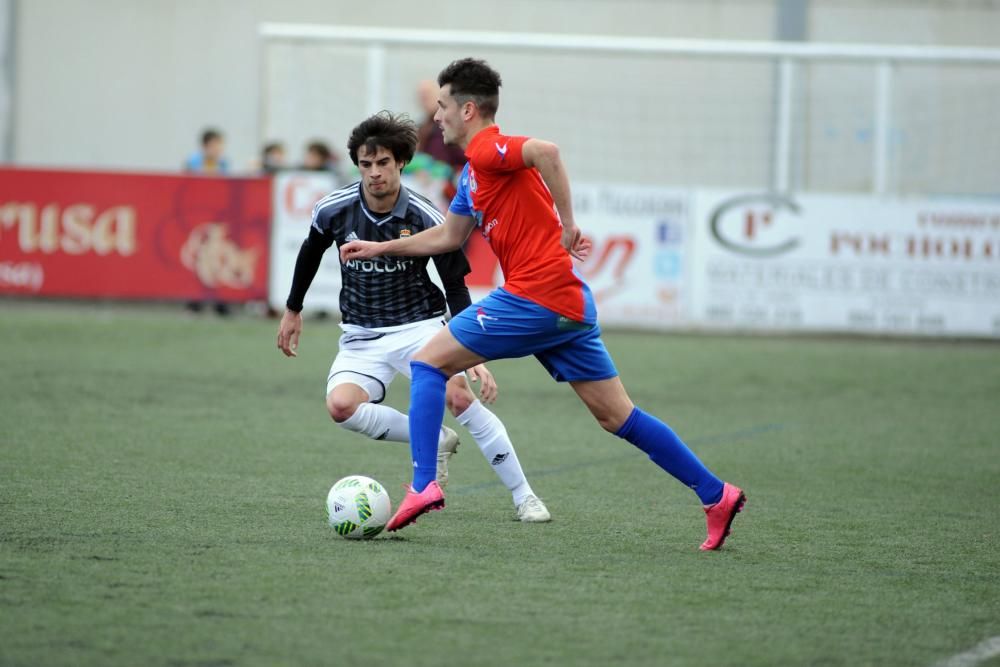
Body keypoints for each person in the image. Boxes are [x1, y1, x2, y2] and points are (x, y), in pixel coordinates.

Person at [339, 59, 747, 550]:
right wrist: (380, 247)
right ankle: (716, 494)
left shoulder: (490, 148)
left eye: (444, 107)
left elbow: (547, 152)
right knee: (617, 416)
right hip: (566, 304)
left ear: (468, 110)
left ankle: (424, 484)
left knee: (427, 363)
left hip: (536, 295)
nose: (438, 116)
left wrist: (568, 222)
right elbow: (449, 236)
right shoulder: (472, 173)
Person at [276, 111, 551, 523]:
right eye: (366, 164)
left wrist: (471, 350)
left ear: (401, 162)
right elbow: (311, 251)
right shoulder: (334, 209)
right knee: (340, 407)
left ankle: (524, 496)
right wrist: (293, 309)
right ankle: (435, 439)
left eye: (383, 163)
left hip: (418, 328)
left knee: (459, 397)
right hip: (360, 335)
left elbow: (455, 285)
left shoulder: (426, 216)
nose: (374, 173)